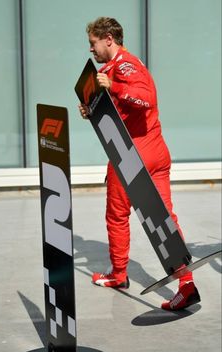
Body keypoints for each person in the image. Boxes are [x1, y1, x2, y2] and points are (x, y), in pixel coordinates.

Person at [78, 17, 200, 311]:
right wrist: (90, 109)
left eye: (93, 44)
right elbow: (120, 110)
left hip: (133, 155)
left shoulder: (125, 66)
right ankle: (186, 285)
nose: (90, 50)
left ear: (109, 38)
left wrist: (115, 87)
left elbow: (147, 98)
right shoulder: (112, 70)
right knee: (164, 219)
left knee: (117, 216)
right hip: (156, 151)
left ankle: (119, 274)